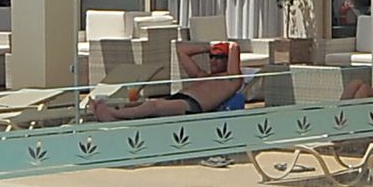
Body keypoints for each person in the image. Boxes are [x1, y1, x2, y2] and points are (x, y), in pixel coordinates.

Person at [86, 45, 253, 122]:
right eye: (211, 56)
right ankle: (111, 115)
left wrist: (225, 43)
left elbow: (234, 46)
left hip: (192, 106)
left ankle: (114, 115)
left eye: (220, 57)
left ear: (229, 60)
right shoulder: (202, 76)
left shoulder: (232, 80)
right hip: (179, 98)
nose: (214, 60)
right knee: (141, 103)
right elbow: (181, 50)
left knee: (153, 106)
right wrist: (208, 46)